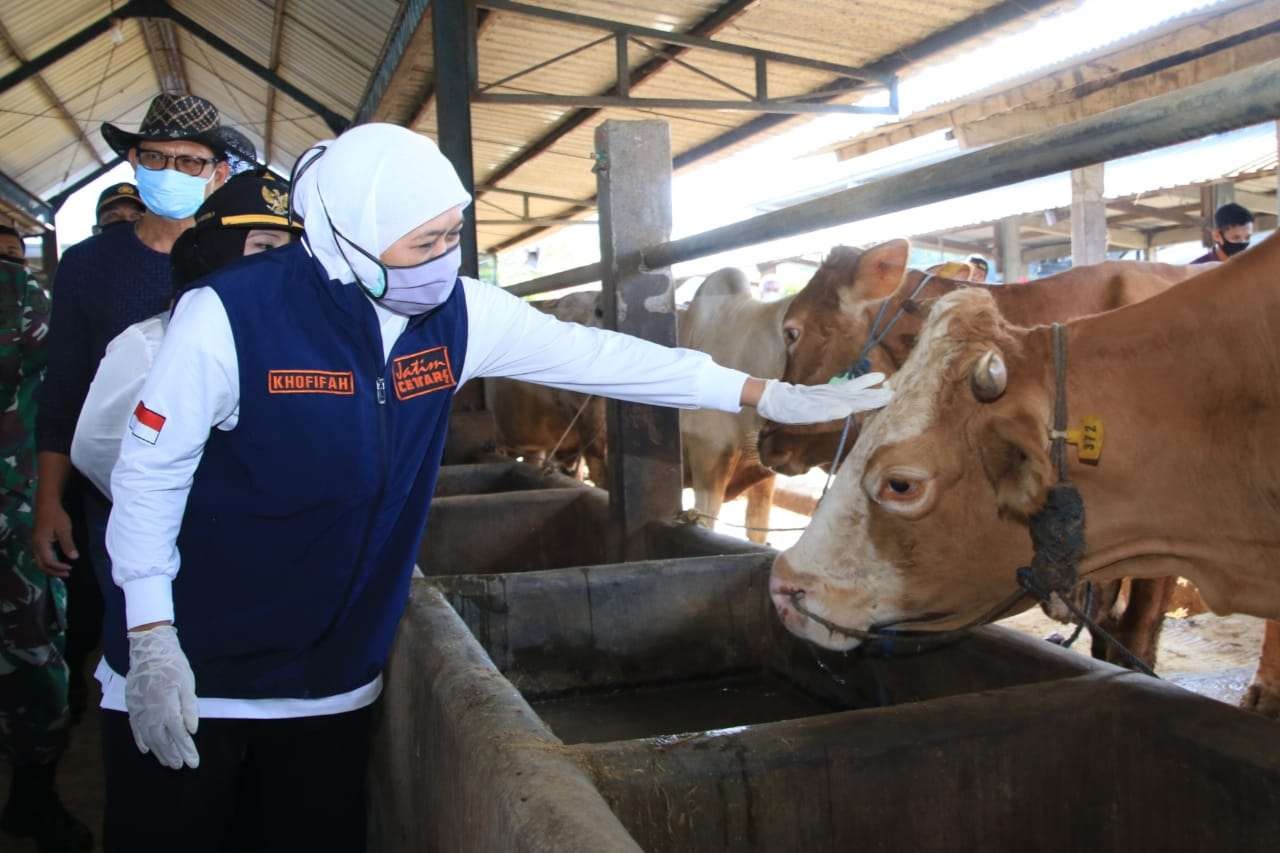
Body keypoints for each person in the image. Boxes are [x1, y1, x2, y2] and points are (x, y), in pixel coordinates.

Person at [90, 123, 891, 852]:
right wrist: (152, 639)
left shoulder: (456, 314)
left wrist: (763, 394)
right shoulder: (230, 315)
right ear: (348, 234)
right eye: (423, 241)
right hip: (199, 668)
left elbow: (607, 357)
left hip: (330, 679)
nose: (444, 257)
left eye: (452, 234)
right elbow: (146, 478)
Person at [32, 92, 232, 592]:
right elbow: (65, 391)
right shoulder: (87, 265)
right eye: (157, 158)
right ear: (133, 161)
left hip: (224, 495)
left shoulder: (241, 262)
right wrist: (50, 500)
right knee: (135, 632)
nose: (171, 170)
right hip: (116, 496)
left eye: (189, 161)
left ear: (219, 174)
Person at [72, 169, 303, 500]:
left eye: (294, 250)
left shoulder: (308, 340)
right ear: (218, 250)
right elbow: (97, 447)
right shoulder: (153, 342)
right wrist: (172, 508)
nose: (283, 265)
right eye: (264, 245)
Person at [0, 249, 92, 851]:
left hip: (14, 509)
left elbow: (60, 393)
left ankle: (32, 795)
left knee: (37, 663)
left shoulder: (17, 292)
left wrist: (51, 499)